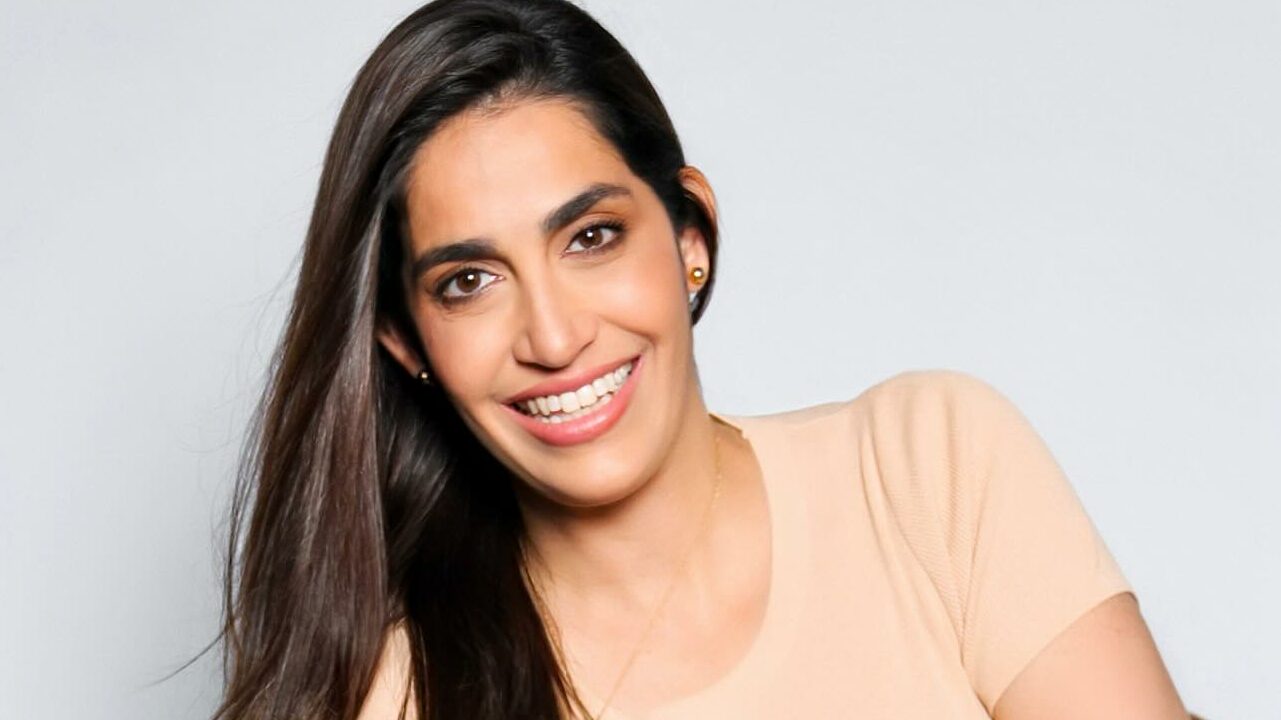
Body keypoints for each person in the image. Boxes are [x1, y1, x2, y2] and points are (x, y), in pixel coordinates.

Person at [213, 0, 1190, 718]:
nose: (553, 338)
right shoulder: (391, 694)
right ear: (404, 339)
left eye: (591, 237)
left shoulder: (927, 472)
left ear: (691, 236)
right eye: (469, 281)